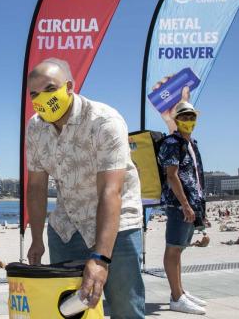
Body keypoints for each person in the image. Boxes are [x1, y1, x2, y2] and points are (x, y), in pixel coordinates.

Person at [25, 59, 145, 318]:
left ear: (69, 87)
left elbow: (110, 191)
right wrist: (36, 238)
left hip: (118, 224)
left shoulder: (104, 121)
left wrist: (101, 259)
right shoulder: (35, 128)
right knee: (69, 310)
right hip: (67, 227)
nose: (42, 98)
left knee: (126, 308)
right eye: (34, 94)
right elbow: (36, 187)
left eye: (49, 88)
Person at [158, 101, 207, 315]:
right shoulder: (172, 142)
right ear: (176, 120)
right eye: (184, 117)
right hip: (178, 205)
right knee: (173, 248)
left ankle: (180, 292)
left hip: (191, 204)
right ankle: (177, 297)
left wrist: (197, 206)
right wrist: (185, 205)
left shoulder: (191, 142)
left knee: (179, 249)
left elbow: (195, 177)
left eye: (191, 117)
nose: (188, 120)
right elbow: (172, 175)